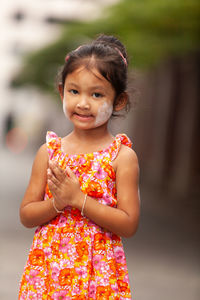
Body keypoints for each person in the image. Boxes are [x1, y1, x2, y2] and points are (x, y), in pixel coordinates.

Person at [18, 34, 140, 299]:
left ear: (118, 101)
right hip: (48, 271)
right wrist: (57, 204)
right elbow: (27, 214)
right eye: (74, 91)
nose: (83, 103)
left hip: (98, 274)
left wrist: (79, 199)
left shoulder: (121, 157)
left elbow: (128, 224)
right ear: (62, 92)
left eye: (97, 94)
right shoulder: (49, 152)